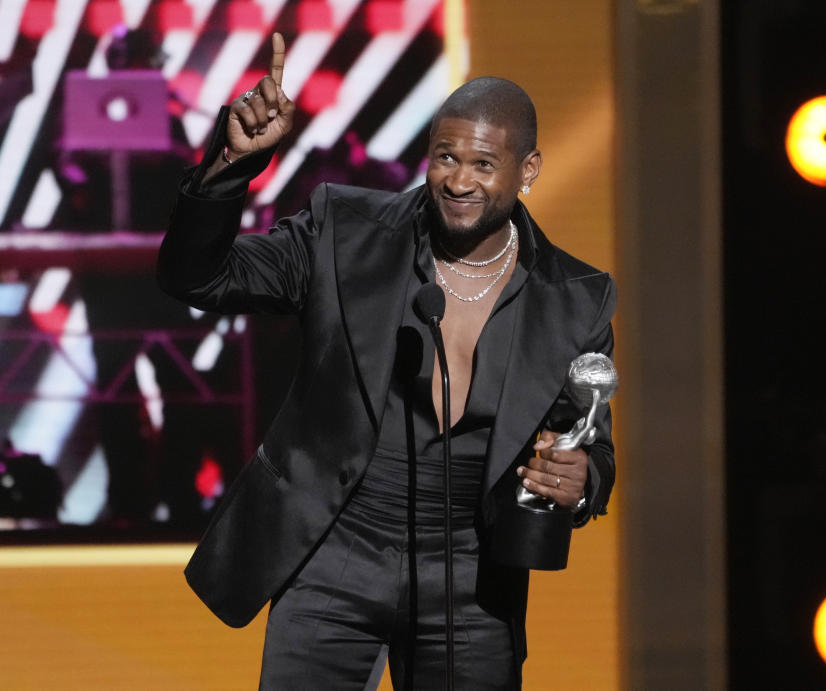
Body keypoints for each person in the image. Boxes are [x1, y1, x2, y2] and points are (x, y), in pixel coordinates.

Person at [157, 33, 615, 690]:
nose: (458, 180)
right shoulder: (344, 232)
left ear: (529, 170)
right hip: (331, 553)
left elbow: (592, 444)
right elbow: (196, 279)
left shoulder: (576, 298)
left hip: (472, 572)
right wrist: (232, 164)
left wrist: (583, 479)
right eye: (445, 158)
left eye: (483, 165)